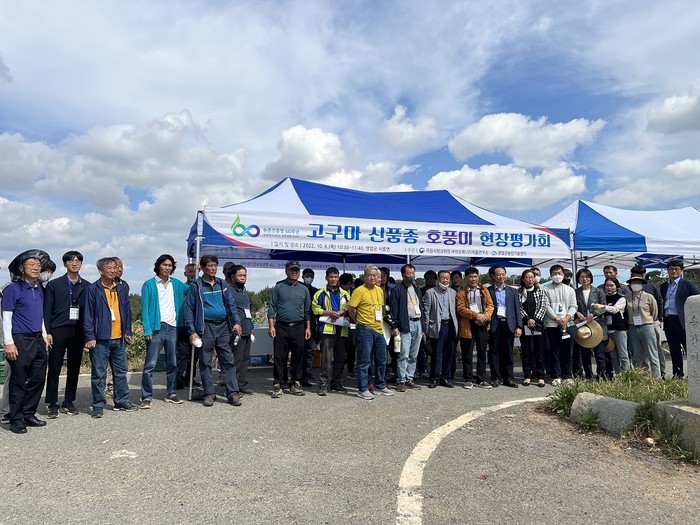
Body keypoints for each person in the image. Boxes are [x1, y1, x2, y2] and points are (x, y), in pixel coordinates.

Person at [1, 250, 51, 434]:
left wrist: (45, 334)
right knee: (18, 380)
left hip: (38, 339)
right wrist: (8, 342)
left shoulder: (39, 289)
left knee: (38, 379)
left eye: (38, 265)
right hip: (20, 339)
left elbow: (41, 315)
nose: (36, 267)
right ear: (22, 268)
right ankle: (15, 418)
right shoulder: (12, 288)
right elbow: (6, 317)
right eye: (31, 264)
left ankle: (28, 413)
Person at [185, 254, 243, 407]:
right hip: (205, 328)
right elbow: (189, 310)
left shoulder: (222, 283)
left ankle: (232, 393)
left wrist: (237, 322)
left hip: (223, 327)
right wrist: (192, 332)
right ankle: (209, 393)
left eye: (215, 265)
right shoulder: (196, 286)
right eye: (210, 266)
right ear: (203, 268)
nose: (213, 268)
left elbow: (231, 304)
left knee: (228, 360)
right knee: (205, 362)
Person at [83, 257, 138, 418]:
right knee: (99, 373)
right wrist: (89, 336)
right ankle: (98, 405)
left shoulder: (120, 288)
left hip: (119, 337)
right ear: (101, 271)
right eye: (109, 268)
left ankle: (122, 401)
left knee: (120, 372)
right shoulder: (93, 289)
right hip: (100, 338)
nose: (113, 270)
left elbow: (127, 311)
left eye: (115, 268)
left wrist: (127, 331)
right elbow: (88, 315)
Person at [140, 254, 188, 408]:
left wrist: (195, 272)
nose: (167, 268)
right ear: (158, 266)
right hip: (156, 328)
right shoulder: (149, 284)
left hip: (173, 327)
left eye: (170, 265)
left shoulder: (177, 284)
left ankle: (171, 393)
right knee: (150, 364)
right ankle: (146, 396)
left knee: (172, 363)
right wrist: (147, 329)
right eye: (164, 265)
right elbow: (144, 308)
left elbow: (192, 288)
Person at [43, 251, 87, 418]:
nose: (74, 263)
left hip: (78, 330)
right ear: (65, 264)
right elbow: (47, 310)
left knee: (74, 367)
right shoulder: (54, 285)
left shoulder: (87, 286)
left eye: (78, 261)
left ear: (81, 264)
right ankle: (52, 402)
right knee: (55, 366)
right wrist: (47, 331)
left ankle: (69, 401)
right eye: (71, 261)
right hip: (58, 329)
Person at [348, 264, 394, 400]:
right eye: (370, 275)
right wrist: (358, 320)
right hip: (365, 329)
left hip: (378, 328)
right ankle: (363, 388)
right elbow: (351, 308)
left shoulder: (379, 290)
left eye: (375, 275)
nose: (373, 278)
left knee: (382, 359)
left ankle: (380, 384)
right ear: (365, 276)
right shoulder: (359, 291)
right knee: (364, 360)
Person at [267, 260, 312, 399]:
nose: (294, 272)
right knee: (280, 357)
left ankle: (295, 383)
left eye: (296, 270)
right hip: (281, 326)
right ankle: (279, 384)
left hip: (299, 327)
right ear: (286, 271)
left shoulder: (304, 289)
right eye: (291, 269)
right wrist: (271, 325)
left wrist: (308, 328)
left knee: (298, 356)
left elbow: (307, 311)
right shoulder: (279, 287)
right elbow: (272, 307)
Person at [312, 267, 351, 395]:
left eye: (335, 277)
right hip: (327, 330)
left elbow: (350, 307)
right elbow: (315, 308)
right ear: (326, 278)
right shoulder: (320, 293)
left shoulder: (345, 293)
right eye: (331, 277)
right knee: (326, 359)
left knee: (340, 358)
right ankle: (323, 383)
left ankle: (336, 382)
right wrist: (328, 312)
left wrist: (341, 312)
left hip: (342, 329)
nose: (333, 279)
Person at [660, 259, 699, 378]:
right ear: (667, 270)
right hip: (669, 320)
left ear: (681, 271)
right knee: (674, 349)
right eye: (671, 269)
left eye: (676, 269)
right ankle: (677, 374)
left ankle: (694, 373)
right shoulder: (664, 286)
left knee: (690, 349)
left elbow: (697, 300)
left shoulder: (687, 284)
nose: (674, 271)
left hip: (683, 321)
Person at [456, 267, 494, 389]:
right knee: (467, 352)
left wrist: (484, 317)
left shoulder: (484, 290)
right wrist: (476, 316)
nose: (473, 279)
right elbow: (461, 309)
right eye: (471, 277)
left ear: (478, 277)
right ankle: (468, 378)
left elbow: (490, 306)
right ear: (466, 278)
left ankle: (481, 378)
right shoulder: (461, 293)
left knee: (482, 352)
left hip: (482, 324)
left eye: (475, 276)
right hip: (468, 324)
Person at [486, 265, 523, 388]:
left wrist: (519, 326)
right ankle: (496, 377)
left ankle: (508, 377)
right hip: (494, 323)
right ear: (493, 276)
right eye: (498, 274)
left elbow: (517, 310)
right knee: (494, 351)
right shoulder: (488, 291)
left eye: (503, 274)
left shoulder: (512, 291)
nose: (501, 276)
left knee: (508, 352)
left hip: (508, 324)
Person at [389, 264, 423, 392]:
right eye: (408, 273)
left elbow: (421, 307)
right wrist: (395, 326)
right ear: (403, 275)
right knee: (404, 354)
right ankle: (401, 380)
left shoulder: (416, 289)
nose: (411, 276)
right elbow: (393, 310)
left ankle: (409, 378)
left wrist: (423, 327)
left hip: (417, 323)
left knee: (414, 354)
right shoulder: (397, 289)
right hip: (405, 324)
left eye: (413, 273)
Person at [541, 264, 577, 386]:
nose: (557, 275)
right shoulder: (545, 289)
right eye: (555, 273)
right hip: (552, 324)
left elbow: (574, 306)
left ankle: (567, 375)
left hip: (568, 324)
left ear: (563, 274)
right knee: (554, 350)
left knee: (568, 351)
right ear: (550, 275)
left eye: (559, 273)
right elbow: (546, 306)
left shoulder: (570, 290)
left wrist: (566, 318)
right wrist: (557, 318)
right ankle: (556, 375)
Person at [422, 270, 459, 388]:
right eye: (443, 278)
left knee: (449, 353)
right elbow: (426, 311)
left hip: (450, 325)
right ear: (438, 279)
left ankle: (445, 377)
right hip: (437, 325)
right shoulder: (430, 292)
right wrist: (426, 328)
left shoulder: (453, 292)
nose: (445, 280)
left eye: (447, 278)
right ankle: (434, 377)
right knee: (436, 353)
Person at [630, 265, 666, 377]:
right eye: (634, 276)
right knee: (638, 352)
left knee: (655, 349)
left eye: (639, 276)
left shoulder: (651, 290)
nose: (636, 282)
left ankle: (660, 374)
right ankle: (642, 374)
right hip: (633, 326)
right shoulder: (627, 295)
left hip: (649, 323)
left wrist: (657, 319)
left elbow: (656, 306)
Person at [573, 268, 607, 380]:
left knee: (599, 354)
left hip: (597, 325)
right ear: (578, 279)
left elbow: (603, 307)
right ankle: (588, 375)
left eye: (587, 277)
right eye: (582, 277)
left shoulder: (599, 291)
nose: (584, 279)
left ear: (591, 278)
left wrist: (593, 314)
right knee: (585, 354)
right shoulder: (575, 292)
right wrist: (577, 313)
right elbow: (572, 306)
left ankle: (601, 375)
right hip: (583, 326)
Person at [625, 275, 661, 378]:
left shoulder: (649, 297)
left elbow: (654, 312)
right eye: (633, 283)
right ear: (630, 285)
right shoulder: (626, 297)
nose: (636, 285)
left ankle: (657, 377)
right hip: (632, 327)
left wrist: (648, 320)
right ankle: (640, 377)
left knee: (652, 352)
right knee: (636, 354)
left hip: (647, 326)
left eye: (638, 282)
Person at [593, 277, 630, 375]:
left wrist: (603, 306)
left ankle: (627, 375)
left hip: (619, 330)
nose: (609, 288)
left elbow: (615, 309)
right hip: (607, 330)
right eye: (607, 285)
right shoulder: (603, 298)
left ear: (616, 287)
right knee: (612, 355)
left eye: (611, 285)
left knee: (623, 354)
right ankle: (618, 374)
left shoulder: (621, 298)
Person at [228, 265, 254, 395]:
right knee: (236, 360)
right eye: (240, 275)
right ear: (233, 277)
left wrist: (251, 326)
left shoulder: (244, 291)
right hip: (236, 331)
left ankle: (241, 384)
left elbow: (247, 310)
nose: (243, 278)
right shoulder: (228, 291)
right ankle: (233, 387)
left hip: (247, 330)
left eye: (244, 275)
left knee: (245, 359)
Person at [518, 269, 547, 387]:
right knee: (526, 351)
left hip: (538, 325)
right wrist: (527, 319)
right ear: (523, 279)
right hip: (525, 324)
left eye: (532, 277)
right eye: (527, 277)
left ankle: (541, 376)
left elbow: (543, 306)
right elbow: (519, 307)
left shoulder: (540, 291)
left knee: (539, 351)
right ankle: (527, 375)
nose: (530, 279)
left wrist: (535, 319)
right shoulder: (519, 292)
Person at [176, 263, 199, 388]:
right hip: (183, 325)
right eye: (190, 272)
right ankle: (179, 378)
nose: (192, 274)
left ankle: (190, 378)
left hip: (196, 325)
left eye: (194, 272)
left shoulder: (199, 287)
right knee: (182, 354)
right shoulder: (182, 288)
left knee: (195, 354)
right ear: (185, 273)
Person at [301, 267, 318, 386]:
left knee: (309, 350)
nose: (309, 278)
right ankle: (297, 372)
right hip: (299, 323)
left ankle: (308, 372)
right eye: (307, 276)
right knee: (298, 350)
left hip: (311, 323)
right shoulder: (299, 288)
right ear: (303, 276)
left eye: (311, 276)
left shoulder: (315, 291)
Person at [339, 273, 357, 378]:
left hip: (352, 324)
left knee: (352, 346)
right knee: (341, 348)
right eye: (344, 284)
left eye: (349, 284)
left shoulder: (355, 292)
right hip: (340, 322)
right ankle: (340, 371)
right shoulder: (338, 292)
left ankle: (350, 370)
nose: (347, 286)